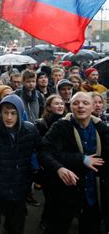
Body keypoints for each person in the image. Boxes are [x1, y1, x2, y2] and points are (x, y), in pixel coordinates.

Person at [38, 92, 108, 234]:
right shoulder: (60, 126)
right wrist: (60, 167)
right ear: (70, 107)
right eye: (76, 103)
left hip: (93, 194)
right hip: (65, 192)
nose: (80, 106)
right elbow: (44, 151)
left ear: (93, 106)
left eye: (85, 103)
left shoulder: (102, 129)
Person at [0, 94, 41, 234]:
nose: (9, 117)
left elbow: (43, 150)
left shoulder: (30, 130)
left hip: (19, 188)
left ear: (20, 113)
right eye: (5, 113)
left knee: (16, 226)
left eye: (13, 113)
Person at [34, 95, 66, 230]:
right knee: (51, 198)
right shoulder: (41, 123)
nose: (60, 106)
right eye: (56, 104)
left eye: (61, 104)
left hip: (62, 164)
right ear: (48, 107)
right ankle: (45, 221)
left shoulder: (67, 121)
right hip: (46, 167)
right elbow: (38, 147)